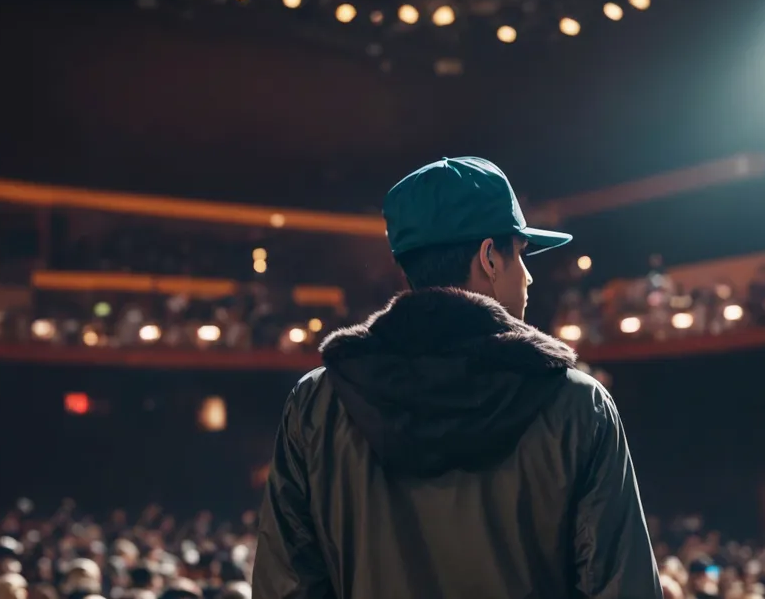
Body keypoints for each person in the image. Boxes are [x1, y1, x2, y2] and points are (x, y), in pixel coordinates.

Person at [254, 157, 661, 599]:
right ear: (489, 257)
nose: (527, 277)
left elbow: (285, 587)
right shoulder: (579, 405)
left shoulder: (316, 405)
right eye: (520, 255)